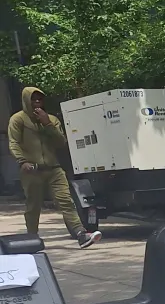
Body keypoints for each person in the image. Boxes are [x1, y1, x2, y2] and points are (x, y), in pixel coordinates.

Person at [6, 87, 99, 248]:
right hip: (31, 170)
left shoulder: (51, 120)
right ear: (26, 100)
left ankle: (81, 234)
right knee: (33, 205)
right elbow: (13, 142)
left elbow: (60, 142)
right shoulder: (18, 120)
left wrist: (47, 123)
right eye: (33, 99)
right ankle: (31, 237)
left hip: (54, 169)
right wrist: (22, 161)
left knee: (66, 201)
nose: (37, 102)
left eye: (40, 99)